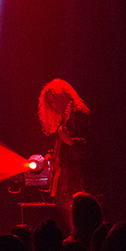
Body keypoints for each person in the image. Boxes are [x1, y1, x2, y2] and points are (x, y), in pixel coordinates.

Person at [38, 79, 95, 217]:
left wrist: (70, 141)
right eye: (50, 101)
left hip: (79, 184)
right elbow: (65, 146)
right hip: (66, 184)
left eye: (55, 98)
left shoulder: (79, 113)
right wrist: (51, 154)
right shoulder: (65, 116)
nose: (53, 104)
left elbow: (90, 148)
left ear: (65, 94)